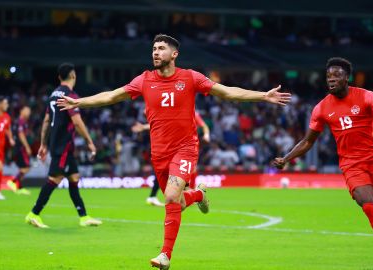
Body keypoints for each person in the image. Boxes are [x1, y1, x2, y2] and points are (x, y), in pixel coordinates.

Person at [57, 34, 290, 269]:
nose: (155, 53)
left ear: (174, 54)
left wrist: (263, 96)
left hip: (185, 148)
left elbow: (227, 92)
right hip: (159, 152)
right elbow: (112, 96)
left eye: (161, 49)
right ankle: (198, 195)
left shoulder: (190, 77)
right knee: (176, 204)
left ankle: (165, 256)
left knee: (169, 197)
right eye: (154, 49)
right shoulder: (144, 80)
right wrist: (80, 102)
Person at [273, 57, 373, 268]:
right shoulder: (321, 108)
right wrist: (286, 158)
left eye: (337, 75)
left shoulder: (366, 96)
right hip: (351, 165)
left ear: (347, 78)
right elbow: (308, 141)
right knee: (368, 206)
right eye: (328, 76)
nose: (332, 79)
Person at [24, 63, 102, 228]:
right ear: (73, 76)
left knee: (74, 178)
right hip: (63, 145)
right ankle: (34, 213)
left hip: (58, 143)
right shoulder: (70, 95)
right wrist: (89, 141)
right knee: (55, 179)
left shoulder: (53, 95)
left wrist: (44, 144)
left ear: (59, 77)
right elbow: (77, 121)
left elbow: (46, 121)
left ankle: (84, 217)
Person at [132, 111, 211, 207]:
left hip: (186, 146)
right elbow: (162, 124)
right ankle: (193, 194)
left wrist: (206, 135)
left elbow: (204, 126)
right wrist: (144, 127)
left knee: (190, 169)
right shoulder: (174, 111)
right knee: (165, 170)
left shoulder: (192, 113)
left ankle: (191, 192)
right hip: (171, 145)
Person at [7, 106, 32, 195]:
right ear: (21, 111)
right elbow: (21, 135)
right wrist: (27, 147)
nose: (29, 113)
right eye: (27, 110)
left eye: (29, 111)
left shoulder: (21, 122)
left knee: (23, 168)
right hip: (21, 148)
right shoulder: (21, 121)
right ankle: (13, 181)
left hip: (17, 148)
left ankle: (20, 187)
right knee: (27, 167)